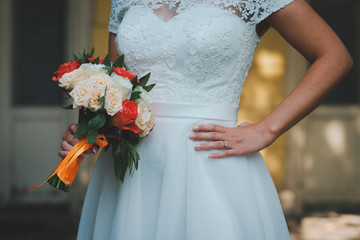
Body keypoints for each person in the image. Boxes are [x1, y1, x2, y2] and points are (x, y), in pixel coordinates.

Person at [60, 0, 353, 239]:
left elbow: (334, 56)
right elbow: (118, 83)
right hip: (129, 173)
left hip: (210, 161)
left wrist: (268, 129)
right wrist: (93, 129)